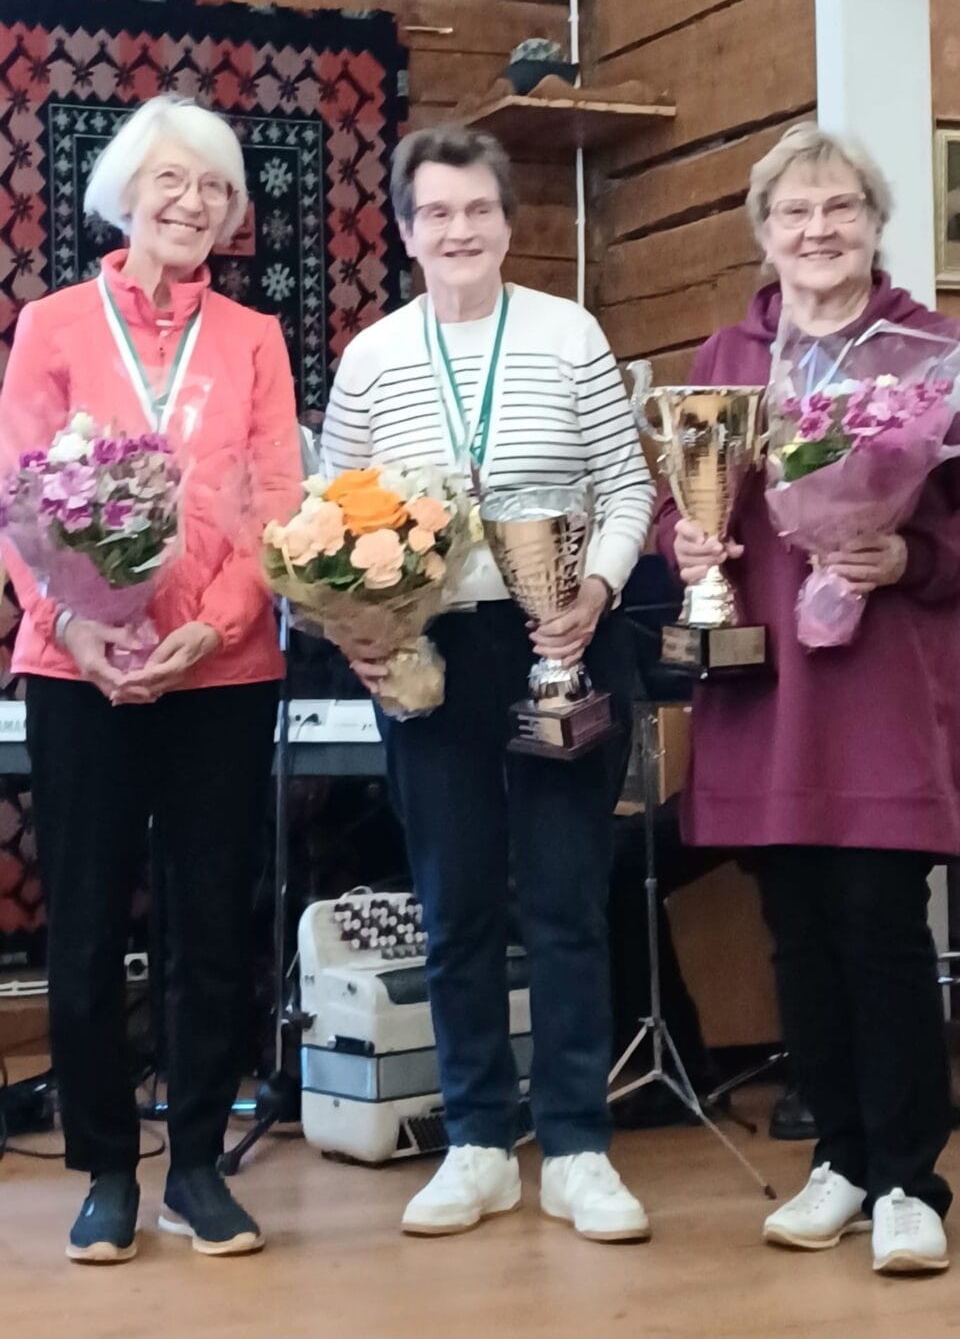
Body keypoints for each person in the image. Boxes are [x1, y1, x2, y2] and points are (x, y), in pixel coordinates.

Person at [321, 124, 655, 1243]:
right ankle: (475, 1141)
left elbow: (628, 487)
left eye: (478, 210)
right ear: (407, 231)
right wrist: (359, 629)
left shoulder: (569, 334)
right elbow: (330, 517)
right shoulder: (372, 358)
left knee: (565, 899)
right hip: (433, 657)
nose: (459, 230)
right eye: (437, 213)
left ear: (509, 224)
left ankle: (576, 1146)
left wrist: (595, 591)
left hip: (563, 640)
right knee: (454, 900)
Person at [0, 96, 302, 1262]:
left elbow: (277, 500)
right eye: (172, 180)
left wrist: (215, 627)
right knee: (84, 923)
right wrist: (72, 621)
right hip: (75, 667)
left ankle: (197, 1167)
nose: (193, 202)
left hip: (222, 672)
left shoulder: (255, 337)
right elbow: (20, 490)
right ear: (123, 194)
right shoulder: (54, 325)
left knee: (212, 920)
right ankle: (106, 1170)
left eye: (215, 187)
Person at [658, 122, 960, 1276]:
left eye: (840, 208)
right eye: (795, 212)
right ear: (765, 232)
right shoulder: (726, 355)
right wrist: (689, 542)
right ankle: (838, 1157)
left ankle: (910, 1180)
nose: (818, 228)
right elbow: (689, 504)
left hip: (883, 684)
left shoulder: (930, 351)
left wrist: (911, 558)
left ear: (876, 224)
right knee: (796, 929)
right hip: (765, 681)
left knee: (879, 923)